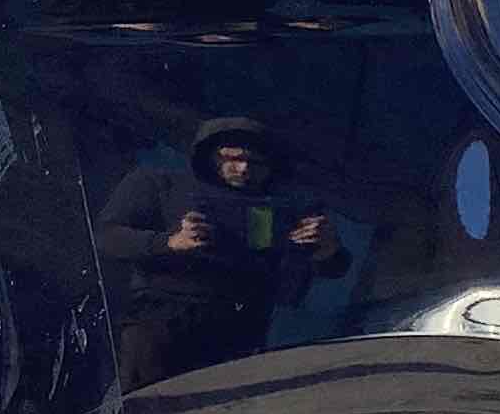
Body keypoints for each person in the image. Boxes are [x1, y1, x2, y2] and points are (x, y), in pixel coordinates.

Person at [94, 117, 348, 390]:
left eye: (256, 162)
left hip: (239, 337)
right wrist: (169, 242)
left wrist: (326, 250)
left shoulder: (279, 209)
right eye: (234, 158)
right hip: (160, 329)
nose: (244, 168)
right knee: (146, 409)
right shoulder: (160, 184)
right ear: (210, 155)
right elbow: (106, 237)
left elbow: (328, 268)